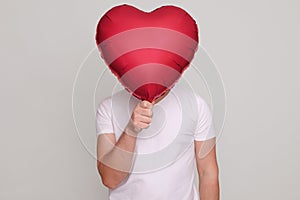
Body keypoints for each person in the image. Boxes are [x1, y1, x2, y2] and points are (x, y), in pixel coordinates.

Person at [96, 83, 219, 200]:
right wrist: (130, 130)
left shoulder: (196, 105)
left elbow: (207, 173)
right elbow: (109, 179)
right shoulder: (108, 107)